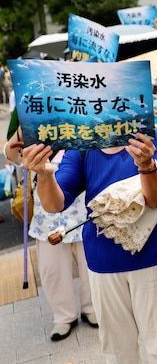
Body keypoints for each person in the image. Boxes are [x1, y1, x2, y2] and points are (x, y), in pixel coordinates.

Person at [23, 129, 157, 364]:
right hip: (103, 261)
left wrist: (147, 166)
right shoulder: (84, 147)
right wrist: (45, 174)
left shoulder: (153, 138)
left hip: (156, 256)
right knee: (116, 346)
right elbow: (54, 203)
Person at [5, 133, 97, 341]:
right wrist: (21, 132)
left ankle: (92, 308)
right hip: (47, 212)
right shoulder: (32, 114)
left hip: (85, 206)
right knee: (52, 269)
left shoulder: (82, 109)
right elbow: (11, 154)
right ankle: (64, 316)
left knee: (90, 262)